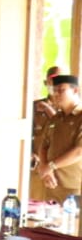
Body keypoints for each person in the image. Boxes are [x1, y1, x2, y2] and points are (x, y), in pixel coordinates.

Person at [35, 73, 82, 203]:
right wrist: (45, 169)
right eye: (54, 90)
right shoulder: (55, 118)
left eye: (61, 90)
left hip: (74, 186)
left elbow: (79, 151)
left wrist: (51, 166)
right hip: (51, 183)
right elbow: (44, 145)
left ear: (75, 90)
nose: (56, 94)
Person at [30, 66, 62, 199]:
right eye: (52, 79)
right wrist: (30, 154)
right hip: (37, 167)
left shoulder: (70, 109)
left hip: (59, 169)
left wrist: (49, 110)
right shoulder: (34, 107)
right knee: (35, 204)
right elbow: (25, 133)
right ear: (45, 83)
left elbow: (63, 129)